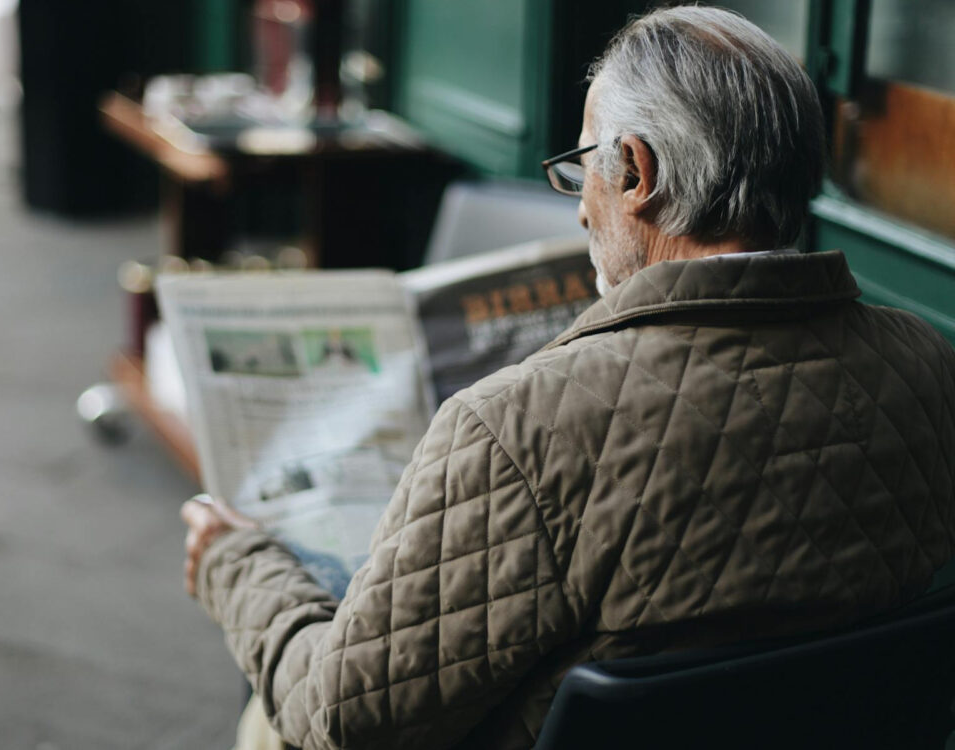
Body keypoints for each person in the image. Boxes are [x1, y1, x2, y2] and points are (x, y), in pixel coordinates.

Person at [180, 7, 955, 749]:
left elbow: (343, 722)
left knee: (274, 711)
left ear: (637, 173)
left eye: (584, 164)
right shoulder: (927, 365)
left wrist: (234, 563)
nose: (582, 212)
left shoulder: (518, 430)